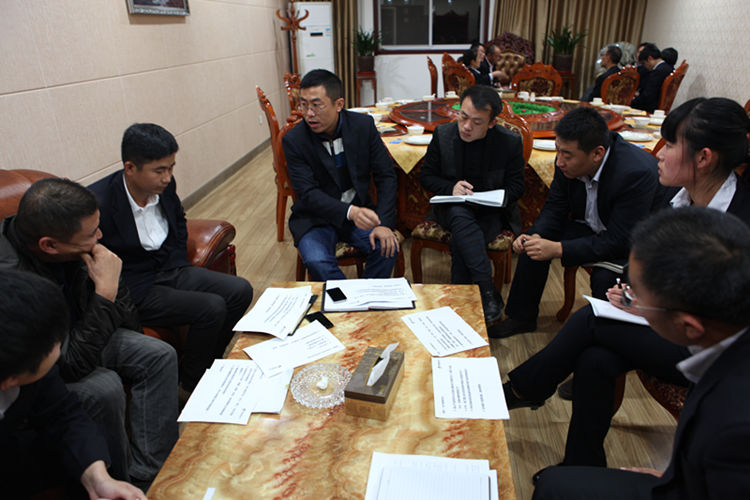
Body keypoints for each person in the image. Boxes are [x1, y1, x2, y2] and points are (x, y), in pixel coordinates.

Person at [504, 97, 750, 469]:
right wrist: (638, 300)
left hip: (713, 353)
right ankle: (581, 467)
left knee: (592, 319)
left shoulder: (740, 219)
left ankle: (522, 389)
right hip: (672, 326)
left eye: (670, 145)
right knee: (596, 359)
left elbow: (719, 313)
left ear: (704, 158)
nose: (659, 154)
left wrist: (649, 307)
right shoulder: (678, 199)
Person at [532, 206, 750, 499]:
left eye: (638, 298)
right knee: (596, 358)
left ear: (688, 326)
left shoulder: (734, 423)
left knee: (552, 488)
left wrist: (681, 481)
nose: (629, 301)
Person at [0, 178, 178, 489]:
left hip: (79, 331)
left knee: (157, 354)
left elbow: (127, 324)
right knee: (104, 388)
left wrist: (113, 284)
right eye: (91, 234)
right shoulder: (13, 282)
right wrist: (105, 293)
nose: (100, 237)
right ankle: (119, 481)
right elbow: (67, 365)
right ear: (49, 245)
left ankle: (151, 474)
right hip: (50, 350)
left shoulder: (71, 241)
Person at [89, 123, 253, 395]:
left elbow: (178, 221)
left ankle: (208, 363)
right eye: (159, 170)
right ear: (130, 168)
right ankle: (193, 383)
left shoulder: (165, 186)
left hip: (169, 267)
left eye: (171, 167)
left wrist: (176, 259)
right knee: (211, 307)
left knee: (240, 290)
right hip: (134, 286)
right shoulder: (99, 202)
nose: (167, 177)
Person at [490, 106, 660, 338]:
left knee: (603, 278)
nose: (559, 161)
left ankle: (601, 336)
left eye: (567, 155)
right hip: (592, 227)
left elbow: (620, 240)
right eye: (558, 151)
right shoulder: (567, 163)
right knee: (534, 245)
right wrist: (537, 234)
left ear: (597, 153)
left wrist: (559, 249)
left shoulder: (634, 172)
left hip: (632, 244)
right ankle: (521, 318)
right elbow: (555, 208)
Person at [0, 269, 147, 499]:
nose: (60, 350)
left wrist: (98, 479)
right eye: (55, 348)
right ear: (9, 381)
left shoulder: (26, 354)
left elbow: (63, 414)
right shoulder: (22, 354)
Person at [420, 85, 524, 324]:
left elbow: (517, 187)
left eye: (476, 122)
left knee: (463, 240)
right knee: (459, 213)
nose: (466, 126)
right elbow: (426, 176)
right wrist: (451, 187)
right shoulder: (443, 135)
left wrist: (492, 197)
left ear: (491, 123)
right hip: (449, 208)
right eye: (463, 117)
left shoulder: (509, 142)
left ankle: (463, 306)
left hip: (490, 211)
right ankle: (487, 290)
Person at [282, 69, 400, 280]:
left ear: (339, 104)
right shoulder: (294, 140)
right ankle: (347, 299)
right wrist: (350, 212)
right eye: (303, 105)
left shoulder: (362, 126)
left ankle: (365, 296)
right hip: (315, 218)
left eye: (316, 105)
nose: (309, 113)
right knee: (317, 260)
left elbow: (386, 175)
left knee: (387, 247)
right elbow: (307, 194)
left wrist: (384, 223)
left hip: (358, 214)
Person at [631, 43, 674, 113]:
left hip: (651, 109)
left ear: (650, 58)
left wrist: (631, 102)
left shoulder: (658, 72)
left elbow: (647, 97)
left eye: (644, 63)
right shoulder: (669, 68)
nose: (645, 66)